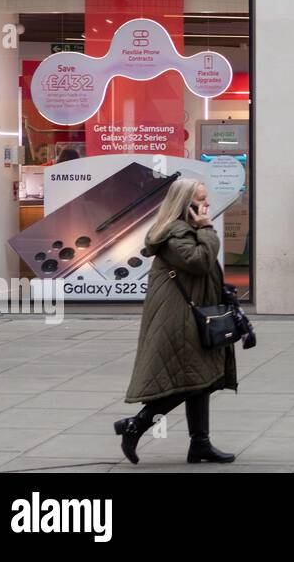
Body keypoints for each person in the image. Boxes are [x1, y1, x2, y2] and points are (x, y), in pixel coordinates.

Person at [116, 177, 237, 464]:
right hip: (179, 318)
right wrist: (207, 228)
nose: (206, 205)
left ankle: (200, 443)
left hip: (192, 314)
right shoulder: (174, 234)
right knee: (192, 380)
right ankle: (137, 425)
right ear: (185, 205)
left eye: (206, 199)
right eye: (200, 200)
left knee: (201, 379)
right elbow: (200, 262)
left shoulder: (187, 230)